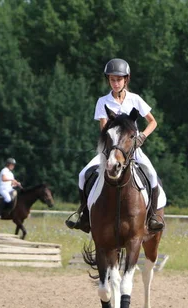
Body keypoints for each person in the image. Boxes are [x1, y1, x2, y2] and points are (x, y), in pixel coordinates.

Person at [65, 58, 164, 233]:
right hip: (111, 149)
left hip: (133, 149)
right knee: (82, 175)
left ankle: (152, 217)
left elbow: (153, 122)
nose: (115, 83)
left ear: (126, 79)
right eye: (112, 79)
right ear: (108, 80)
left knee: (152, 174)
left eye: (119, 79)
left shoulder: (135, 99)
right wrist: (111, 144)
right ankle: (84, 215)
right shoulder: (103, 101)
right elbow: (103, 127)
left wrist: (142, 137)